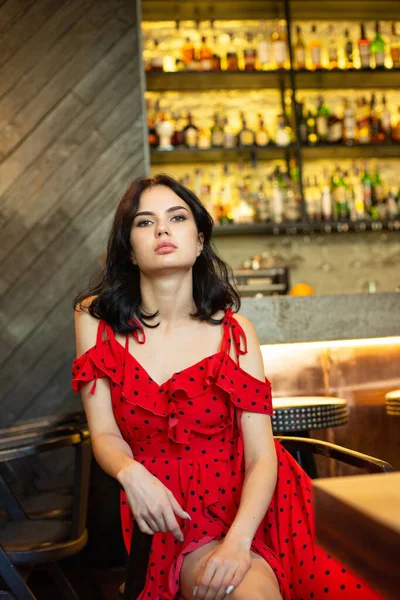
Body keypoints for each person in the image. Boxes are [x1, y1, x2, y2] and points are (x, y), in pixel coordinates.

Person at [72, 174, 383, 600]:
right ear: (128, 249)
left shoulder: (237, 334)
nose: (162, 229)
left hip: (263, 504)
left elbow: (261, 453)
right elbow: (104, 432)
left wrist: (238, 542)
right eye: (144, 223)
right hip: (174, 514)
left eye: (176, 217)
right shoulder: (95, 321)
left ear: (199, 240)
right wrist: (131, 472)